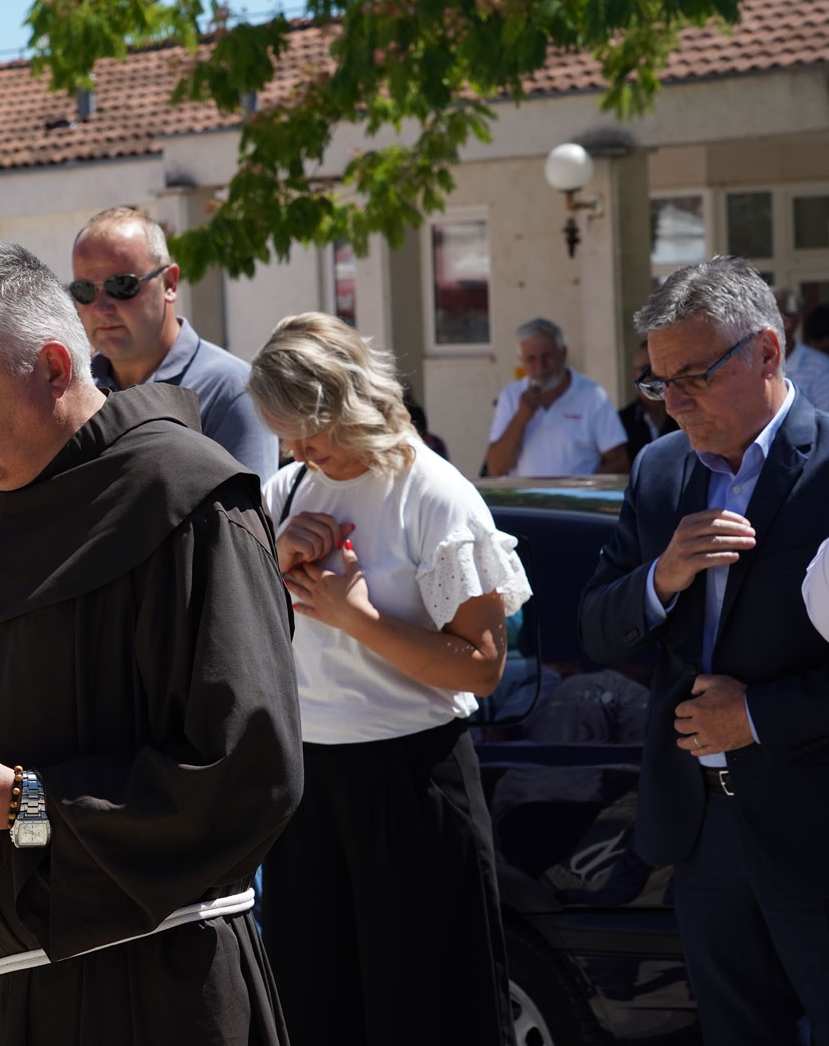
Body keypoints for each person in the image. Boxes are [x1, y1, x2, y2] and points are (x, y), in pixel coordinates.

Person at [0, 242, 301, 1045]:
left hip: (148, 987)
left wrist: (21, 805)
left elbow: (250, 775)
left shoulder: (186, 501)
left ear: (51, 366)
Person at [248, 312, 529, 1045]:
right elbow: (240, 636)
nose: (299, 450)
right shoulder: (287, 490)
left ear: (349, 400)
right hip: (309, 786)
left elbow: (483, 667)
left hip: (412, 779)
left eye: (310, 431)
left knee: (429, 1013)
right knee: (316, 1012)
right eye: (286, 435)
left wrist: (359, 618)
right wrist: (272, 562)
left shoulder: (432, 493)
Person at [580, 256, 829, 1043]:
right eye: (660, 384)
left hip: (814, 822)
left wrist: (755, 717)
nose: (675, 405)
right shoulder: (659, 470)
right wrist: (662, 576)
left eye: (693, 377)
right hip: (700, 828)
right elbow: (596, 627)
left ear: (767, 352)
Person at [71, 207, 277, 479]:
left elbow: (248, 505)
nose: (101, 307)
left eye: (121, 285)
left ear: (169, 283)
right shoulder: (75, 391)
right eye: (85, 290)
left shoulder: (230, 390)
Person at [484, 318, 629, 477]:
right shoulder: (510, 396)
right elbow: (496, 469)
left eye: (546, 357)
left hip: (579, 493)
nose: (540, 366)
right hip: (525, 494)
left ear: (564, 353)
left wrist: (582, 488)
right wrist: (521, 417)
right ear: (522, 361)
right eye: (531, 359)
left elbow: (620, 462)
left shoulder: (592, 395)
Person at [620, 342, 677, 462]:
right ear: (634, 375)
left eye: (659, 369)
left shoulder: (684, 411)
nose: (654, 376)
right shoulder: (621, 421)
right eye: (646, 369)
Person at [777, 287, 829, 410]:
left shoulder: (819, 366)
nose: (778, 321)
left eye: (784, 315)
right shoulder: (752, 361)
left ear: (797, 318)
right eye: (771, 315)